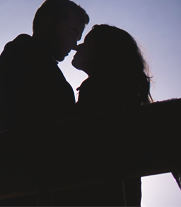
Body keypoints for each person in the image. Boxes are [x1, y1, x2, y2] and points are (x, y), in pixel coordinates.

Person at [61, 24, 153, 207]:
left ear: (104, 51)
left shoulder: (98, 91)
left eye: (87, 42)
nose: (78, 46)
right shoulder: (120, 93)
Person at [0, 0, 89, 131]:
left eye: (77, 39)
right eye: (72, 32)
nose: (73, 45)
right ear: (47, 23)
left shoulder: (32, 59)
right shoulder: (23, 53)